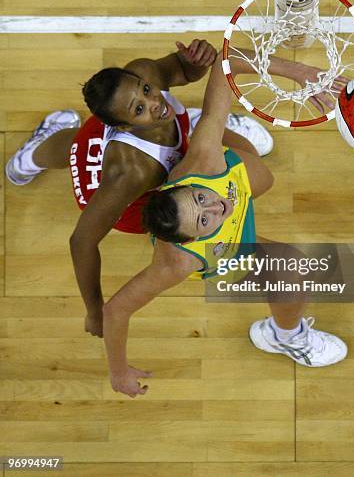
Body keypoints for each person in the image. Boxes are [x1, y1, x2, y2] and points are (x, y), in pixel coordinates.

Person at [102, 50, 348, 398]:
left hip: (226, 173)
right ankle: (284, 335)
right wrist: (118, 373)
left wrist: (299, 71)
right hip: (226, 251)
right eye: (204, 220)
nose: (217, 206)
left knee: (261, 173)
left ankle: (212, 122)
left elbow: (226, 59)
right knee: (291, 270)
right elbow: (115, 310)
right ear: (190, 239)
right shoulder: (178, 262)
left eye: (201, 198)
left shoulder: (205, 160)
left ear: (191, 183)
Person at [5, 39, 275, 337]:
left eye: (146, 91)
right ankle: (25, 161)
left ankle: (203, 124)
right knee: (80, 150)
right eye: (140, 108)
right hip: (125, 196)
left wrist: (197, 61)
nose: (155, 102)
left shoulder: (144, 76)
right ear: (124, 126)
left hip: (141, 138)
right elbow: (81, 242)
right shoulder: (130, 174)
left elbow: (184, 71)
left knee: (83, 137)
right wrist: (95, 312)